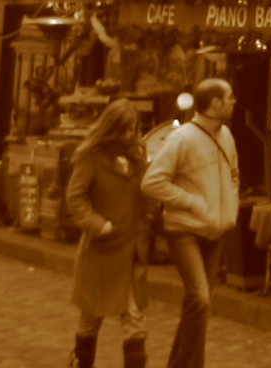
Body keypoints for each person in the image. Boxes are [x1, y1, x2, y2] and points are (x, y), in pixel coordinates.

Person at [141, 79, 239, 368]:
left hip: (216, 229)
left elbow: (234, 175)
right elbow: (152, 182)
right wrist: (192, 201)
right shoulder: (182, 138)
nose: (234, 101)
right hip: (184, 230)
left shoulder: (228, 137)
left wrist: (230, 207)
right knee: (200, 298)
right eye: (229, 97)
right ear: (215, 103)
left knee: (198, 302)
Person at [65, 99, 152, 368]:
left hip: (130, 251)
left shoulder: (139, 156)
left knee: (135, 320)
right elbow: (75, 198)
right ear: (111, 128)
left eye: (133, 129)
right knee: (90, 319)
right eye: (123, 130)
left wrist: (149, 217)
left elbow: (146, 192)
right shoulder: (92, 156)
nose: (128, 136)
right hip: (101, 252)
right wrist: (97, 224)